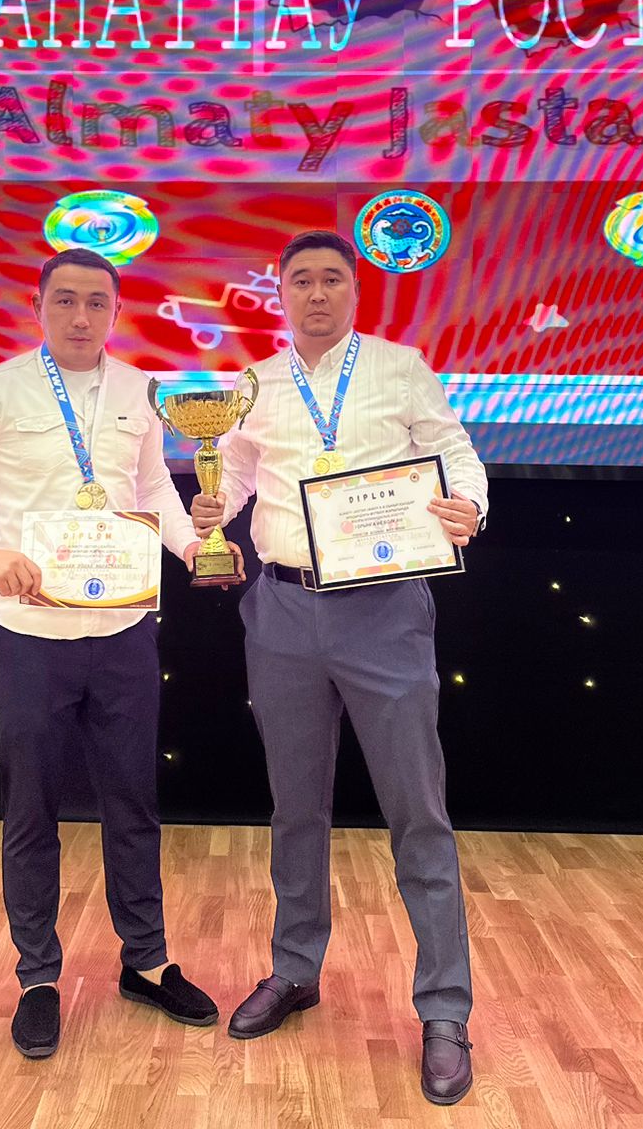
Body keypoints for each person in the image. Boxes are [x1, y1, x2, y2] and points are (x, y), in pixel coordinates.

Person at [191, 230, 488, 1108]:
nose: (316, 294)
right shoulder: (255, 385)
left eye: (331, 280)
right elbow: (237, 474)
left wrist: (468, 503)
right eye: (301, 281)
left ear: (355, 291)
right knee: (296, 808)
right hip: (282, 609)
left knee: (417, 814)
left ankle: (444, 1010)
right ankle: (294, 968)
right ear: (279, 293)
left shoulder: (401, 367)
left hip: (385, 610)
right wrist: (211, 504)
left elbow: (457, 452)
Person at [0, 247, 221, 1060]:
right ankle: (38, 978)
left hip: (123, 634)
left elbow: (153, 491)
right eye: (67, 300)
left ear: (116, 311)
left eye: (97, 302)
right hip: (30, 638)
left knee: (133, 805)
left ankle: (146, 962)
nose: (82, 316)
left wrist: (192, 546)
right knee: (31, 811)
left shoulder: (140, 390)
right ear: (38, 305)